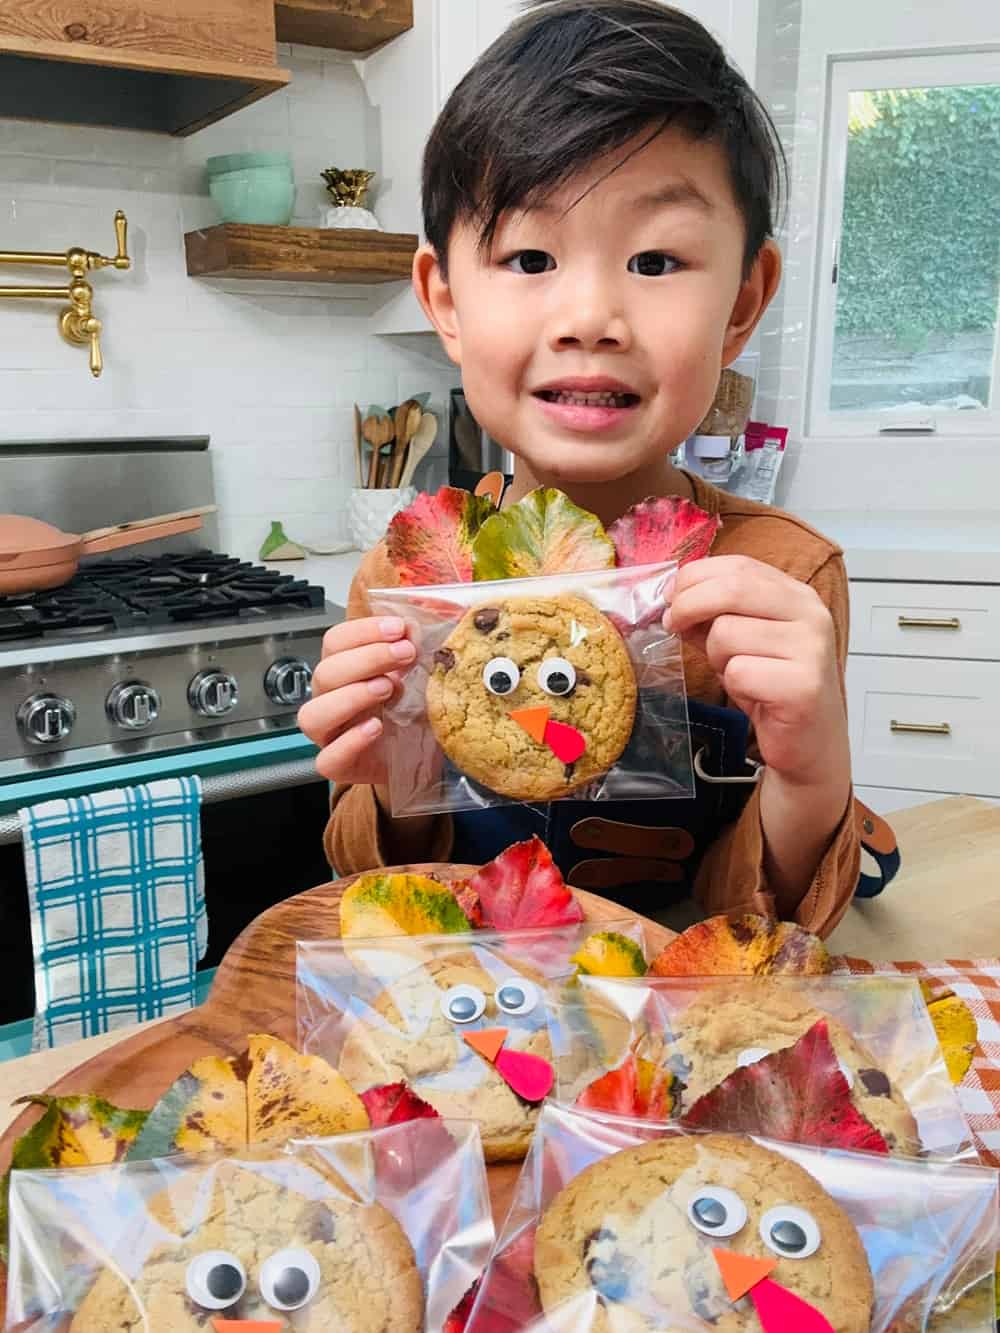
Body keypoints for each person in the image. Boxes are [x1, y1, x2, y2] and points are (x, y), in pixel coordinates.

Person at [299, 0, 869, 937]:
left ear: (743, 301)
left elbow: (766, 929)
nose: (590, 315)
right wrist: (394, 774)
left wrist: (813, 775)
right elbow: (379, 899)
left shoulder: (779, 579)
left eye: (655, 259)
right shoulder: (410, 575)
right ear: (445, 299)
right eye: (530, 255)